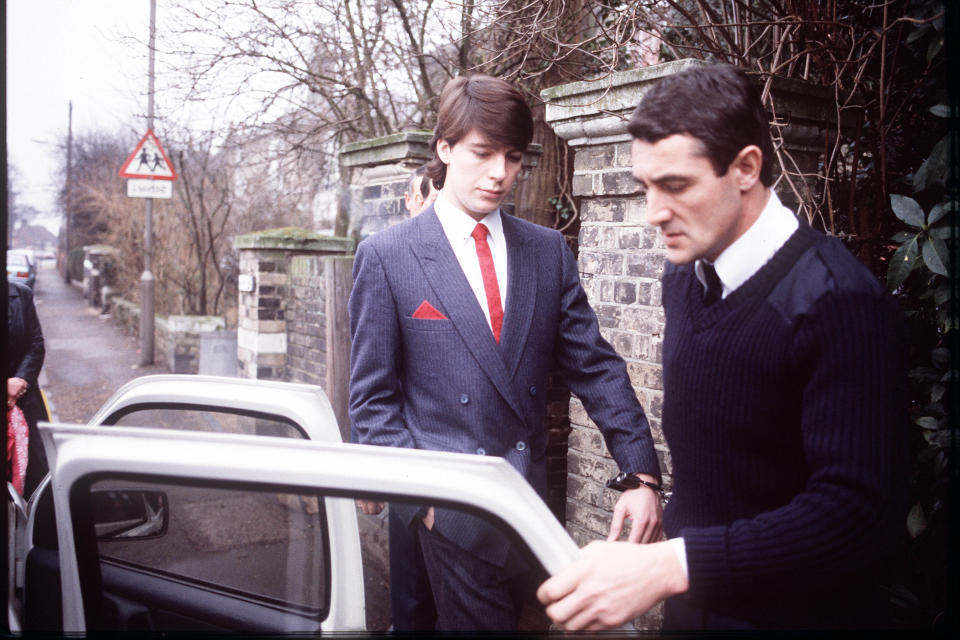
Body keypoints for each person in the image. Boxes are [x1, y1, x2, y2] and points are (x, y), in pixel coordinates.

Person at [537, 63, 909, 631]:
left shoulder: (838, 303)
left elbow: (856, 516)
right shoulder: (685, 276)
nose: (655, 212)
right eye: (646, 187)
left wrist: (672, 565)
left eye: (676, 185)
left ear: (746, 168)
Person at [349, 74, 663, 631]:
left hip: (530, 507)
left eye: (513, 157)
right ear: (444, 149)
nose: (500, 173)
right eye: (483, 153)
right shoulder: (388, 256)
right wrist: (425, 507)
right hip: (451, 515)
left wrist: (640, 472)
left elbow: (594, 365)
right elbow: (373, 401)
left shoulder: (545, 251)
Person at [383, 163, 442, 633]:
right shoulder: (389, 259)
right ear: (413, 199)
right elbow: (371, 382)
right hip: (408, 462)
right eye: (427, 197)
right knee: (411, 596)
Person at [7, 280, 48, 498]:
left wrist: (20, 379)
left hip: (25, 400)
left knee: (40, 472)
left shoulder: (22, 294)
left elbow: (36, 344)